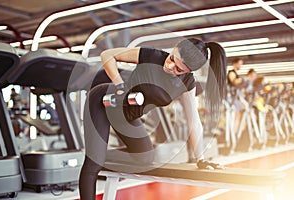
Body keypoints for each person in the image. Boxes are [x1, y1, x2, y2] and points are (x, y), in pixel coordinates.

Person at [79, 38, 227, 200]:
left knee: (145, 158)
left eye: (178, 69)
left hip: (128, 115)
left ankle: (97, 154)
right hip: (104, 101)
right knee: (93, 164)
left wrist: (201, 159)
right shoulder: (150, 55)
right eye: (172, 59)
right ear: (174, 49)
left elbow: (194, 120)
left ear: (188, 72)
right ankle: (94, 158)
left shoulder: (187, 83)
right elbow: (107, 55)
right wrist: (120, 85)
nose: (170, 67)